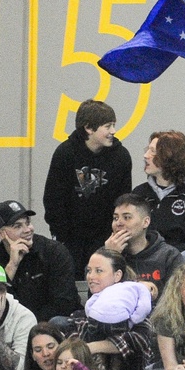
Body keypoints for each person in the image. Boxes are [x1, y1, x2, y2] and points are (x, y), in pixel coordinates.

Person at [44, 99, 133, 280]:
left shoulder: (121, 156)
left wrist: (115, 237)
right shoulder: (65, 154)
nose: (113, 132)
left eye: (113, 125)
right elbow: (53, 199)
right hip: (70, 238)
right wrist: (61, 236)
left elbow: (123, 201)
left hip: (106, 238)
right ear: (89, 128)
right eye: (107, 126)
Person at [0, 200, 81, 323]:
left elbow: (65, 302)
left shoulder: (54, 252)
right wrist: (12, 265)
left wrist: (27, 323)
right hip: (9, 325)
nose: (28, 230)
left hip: (48, 325)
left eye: (28, 223)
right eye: (18, 226)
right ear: (0, 234)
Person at [57, 250, 155, 370]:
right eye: (89, 270)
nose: (90, 276)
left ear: (117, 275)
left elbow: (137, 341)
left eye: (99, 271)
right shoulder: (79, 317)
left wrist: (92, 347)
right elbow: (74, 349)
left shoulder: (136, 314)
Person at [132, 131, 185, 252]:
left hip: (178, 264)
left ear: (170, 157)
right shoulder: (139, 193)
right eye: (147, 150)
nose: (145, 155)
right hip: (140, 262)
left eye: (153, 151)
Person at [104, 195, 184, 299]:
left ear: (145, 222)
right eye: (115, 218)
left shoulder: (169, 255)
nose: (118, 223)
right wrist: (111, 258)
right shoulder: (104, 255)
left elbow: (176, 300)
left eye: (127, 217)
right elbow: (96, 299)